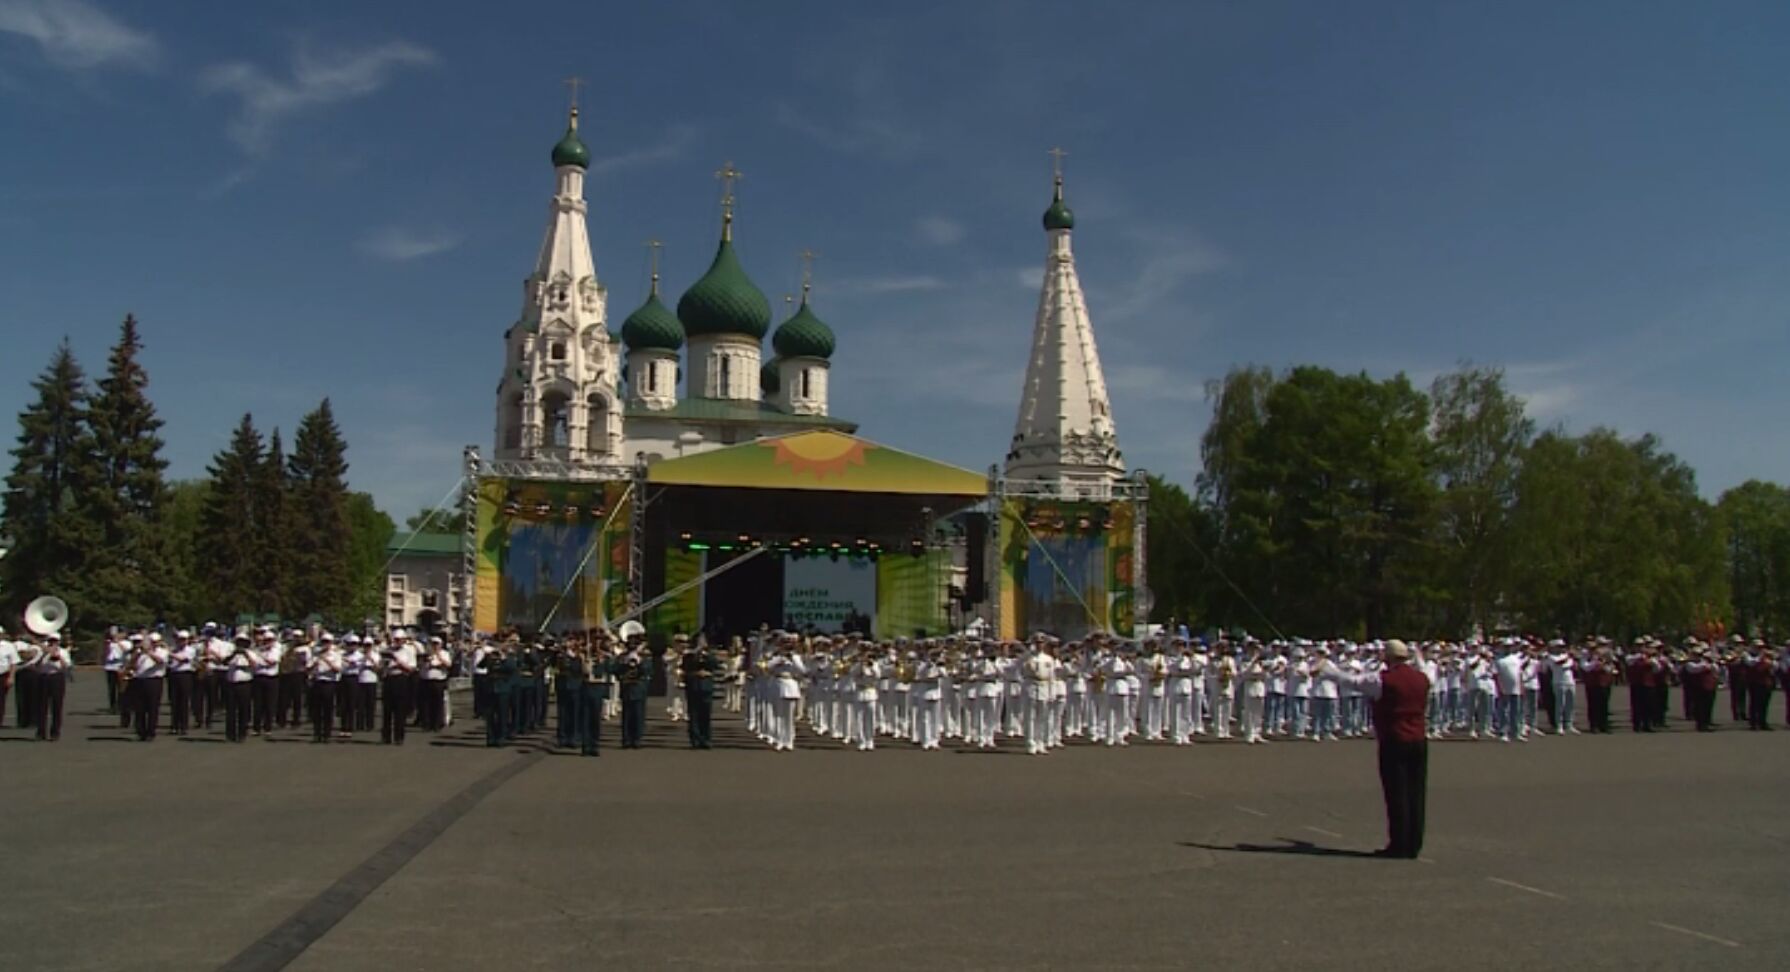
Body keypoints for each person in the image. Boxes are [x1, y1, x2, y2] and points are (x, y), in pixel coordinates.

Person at [1322, 639, 1429, 859]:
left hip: (1394, 738)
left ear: (1386, 657)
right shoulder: (1422, 678)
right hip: (1418, 738)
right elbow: (1427, 670)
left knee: (1396, 792)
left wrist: (1328, 670)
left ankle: (1399, 843)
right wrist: (1419, 655)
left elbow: (1353, 681)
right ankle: (1413, 842)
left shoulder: (1382, 680)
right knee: (1416, 793)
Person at [30, 635, 73, 740]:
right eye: (50, 641)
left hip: (57, 677)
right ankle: (40, 732)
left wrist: (58, 657)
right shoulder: (42, 651)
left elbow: (66, 667)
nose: (52, 643)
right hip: (43, 677)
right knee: (41, 706)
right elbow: (35, 665)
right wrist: (45, 653)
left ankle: (55, 732)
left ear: (58, 642)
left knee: (57, 706)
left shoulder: (63, 652)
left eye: (55, 641)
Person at [683, 635, 718, 749]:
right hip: (694, 686)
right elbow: (686, 668)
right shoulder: (689, 655)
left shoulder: (710, 655)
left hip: (706, 687)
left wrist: (706, 655)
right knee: (694, 714)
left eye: (703, 641)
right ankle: (695, 740)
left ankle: (706, 739)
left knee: (706, 715)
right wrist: (695, 654)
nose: (702, 643)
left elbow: (714, 665)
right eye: (700, 641)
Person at [616, 637, 651, 748]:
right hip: (626, 687)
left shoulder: (644, 657)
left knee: (638, 715)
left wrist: (639, 662)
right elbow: (615, 669)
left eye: (634, 645)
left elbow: (648, 670)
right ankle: (626, 739)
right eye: (630, 645)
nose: (632, 647)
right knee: (627, 716)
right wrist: (624, 664)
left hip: (639, 688)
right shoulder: (622, 657)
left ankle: (636, 739)